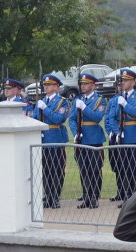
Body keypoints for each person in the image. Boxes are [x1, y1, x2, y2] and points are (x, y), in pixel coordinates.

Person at [103, 69, 136, 201]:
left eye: (126, 80)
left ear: (133, 82)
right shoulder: (117, 99)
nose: (123, 83)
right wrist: (116, 132)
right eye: (122, 80)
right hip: (121, 137)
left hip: (134, 136)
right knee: (122, 167)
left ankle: (135, 197)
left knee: (134, 168)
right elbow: (111, 117)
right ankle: (124, 195)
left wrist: (126, 105)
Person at [34, 73, 72, 209]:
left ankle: (55, 197)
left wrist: (45, 109)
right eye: (45, 85)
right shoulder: (42, 101)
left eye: (49, 85)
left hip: (55, 137)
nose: (46, 87)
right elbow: (33, 118)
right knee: (45, 169)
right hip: (42, 139)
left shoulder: (62, 102)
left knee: (56, 169)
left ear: (56, 87)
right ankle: (47, 195)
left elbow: (58, 119)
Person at [70, 72, 107, 209]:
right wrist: (75, 133)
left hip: (94, 138)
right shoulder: (78, 100)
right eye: (82, 84)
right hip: (81, 139)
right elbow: (72, 119)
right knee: (83, 169)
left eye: (86, 84)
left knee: (95, 169)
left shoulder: (100, 100)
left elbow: (97, 117)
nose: (83, 86)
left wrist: (84, 108)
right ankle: (86, 196)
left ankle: (94, 197)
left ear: (93, 85)